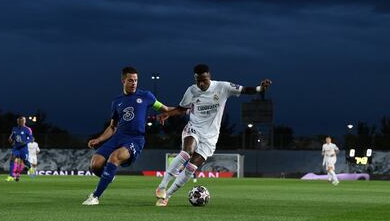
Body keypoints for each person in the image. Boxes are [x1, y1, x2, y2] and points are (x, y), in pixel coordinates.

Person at [155, 64, 271, 206]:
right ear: (195, 79)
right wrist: (168, 113)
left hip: (210, 137)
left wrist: (260, 88)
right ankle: (162, 186)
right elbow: (181, 109)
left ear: (209, 76)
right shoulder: (191, 90)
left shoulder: (223, 87)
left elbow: (244, 89)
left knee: (191, 168)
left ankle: (167, 197)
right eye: (198, 81)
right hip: (194, 128)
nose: (201, 84)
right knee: (186, 152)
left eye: (204, 80)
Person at [82, 66, 172, 205]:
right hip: (118, 137)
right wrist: (99, 139)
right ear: (123, 81)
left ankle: (95, 196)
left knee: (114, 157)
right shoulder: (116, 102)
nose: (134, 83)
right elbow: (113, 127)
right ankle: (109, 176)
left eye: (136, 80)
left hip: (135, 139)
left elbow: (165, 108)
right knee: (95, 164)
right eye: (130, 80)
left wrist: (182, 110)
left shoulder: (146, 96)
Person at [6, 116, 35, 182]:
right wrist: (10, 139)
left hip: (23, 148)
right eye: (19, 121)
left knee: (25, 161)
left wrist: (24, 142)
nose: (20, 122)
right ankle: (11, 176)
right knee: (12, 159)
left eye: (22, 121)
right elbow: (12, 136)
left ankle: (31, 168)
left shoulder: (28, 129)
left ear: (24, 121)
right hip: (16, 147)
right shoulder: (14, 129)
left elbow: (32, 139)